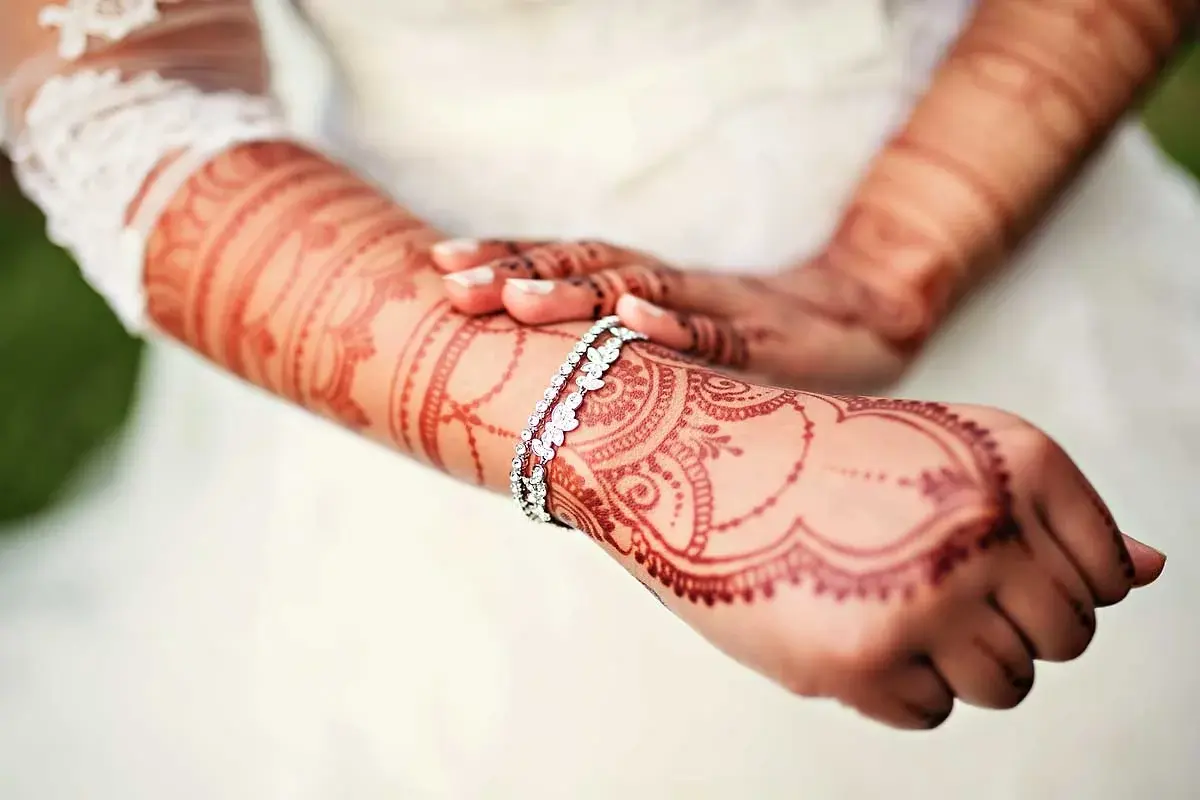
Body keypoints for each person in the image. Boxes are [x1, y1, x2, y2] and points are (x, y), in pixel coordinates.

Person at [0, 0, 1194, 797]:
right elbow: (111, 88)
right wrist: (648, 442)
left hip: (1036, 222)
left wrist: (887, 269)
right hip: (435, 335)